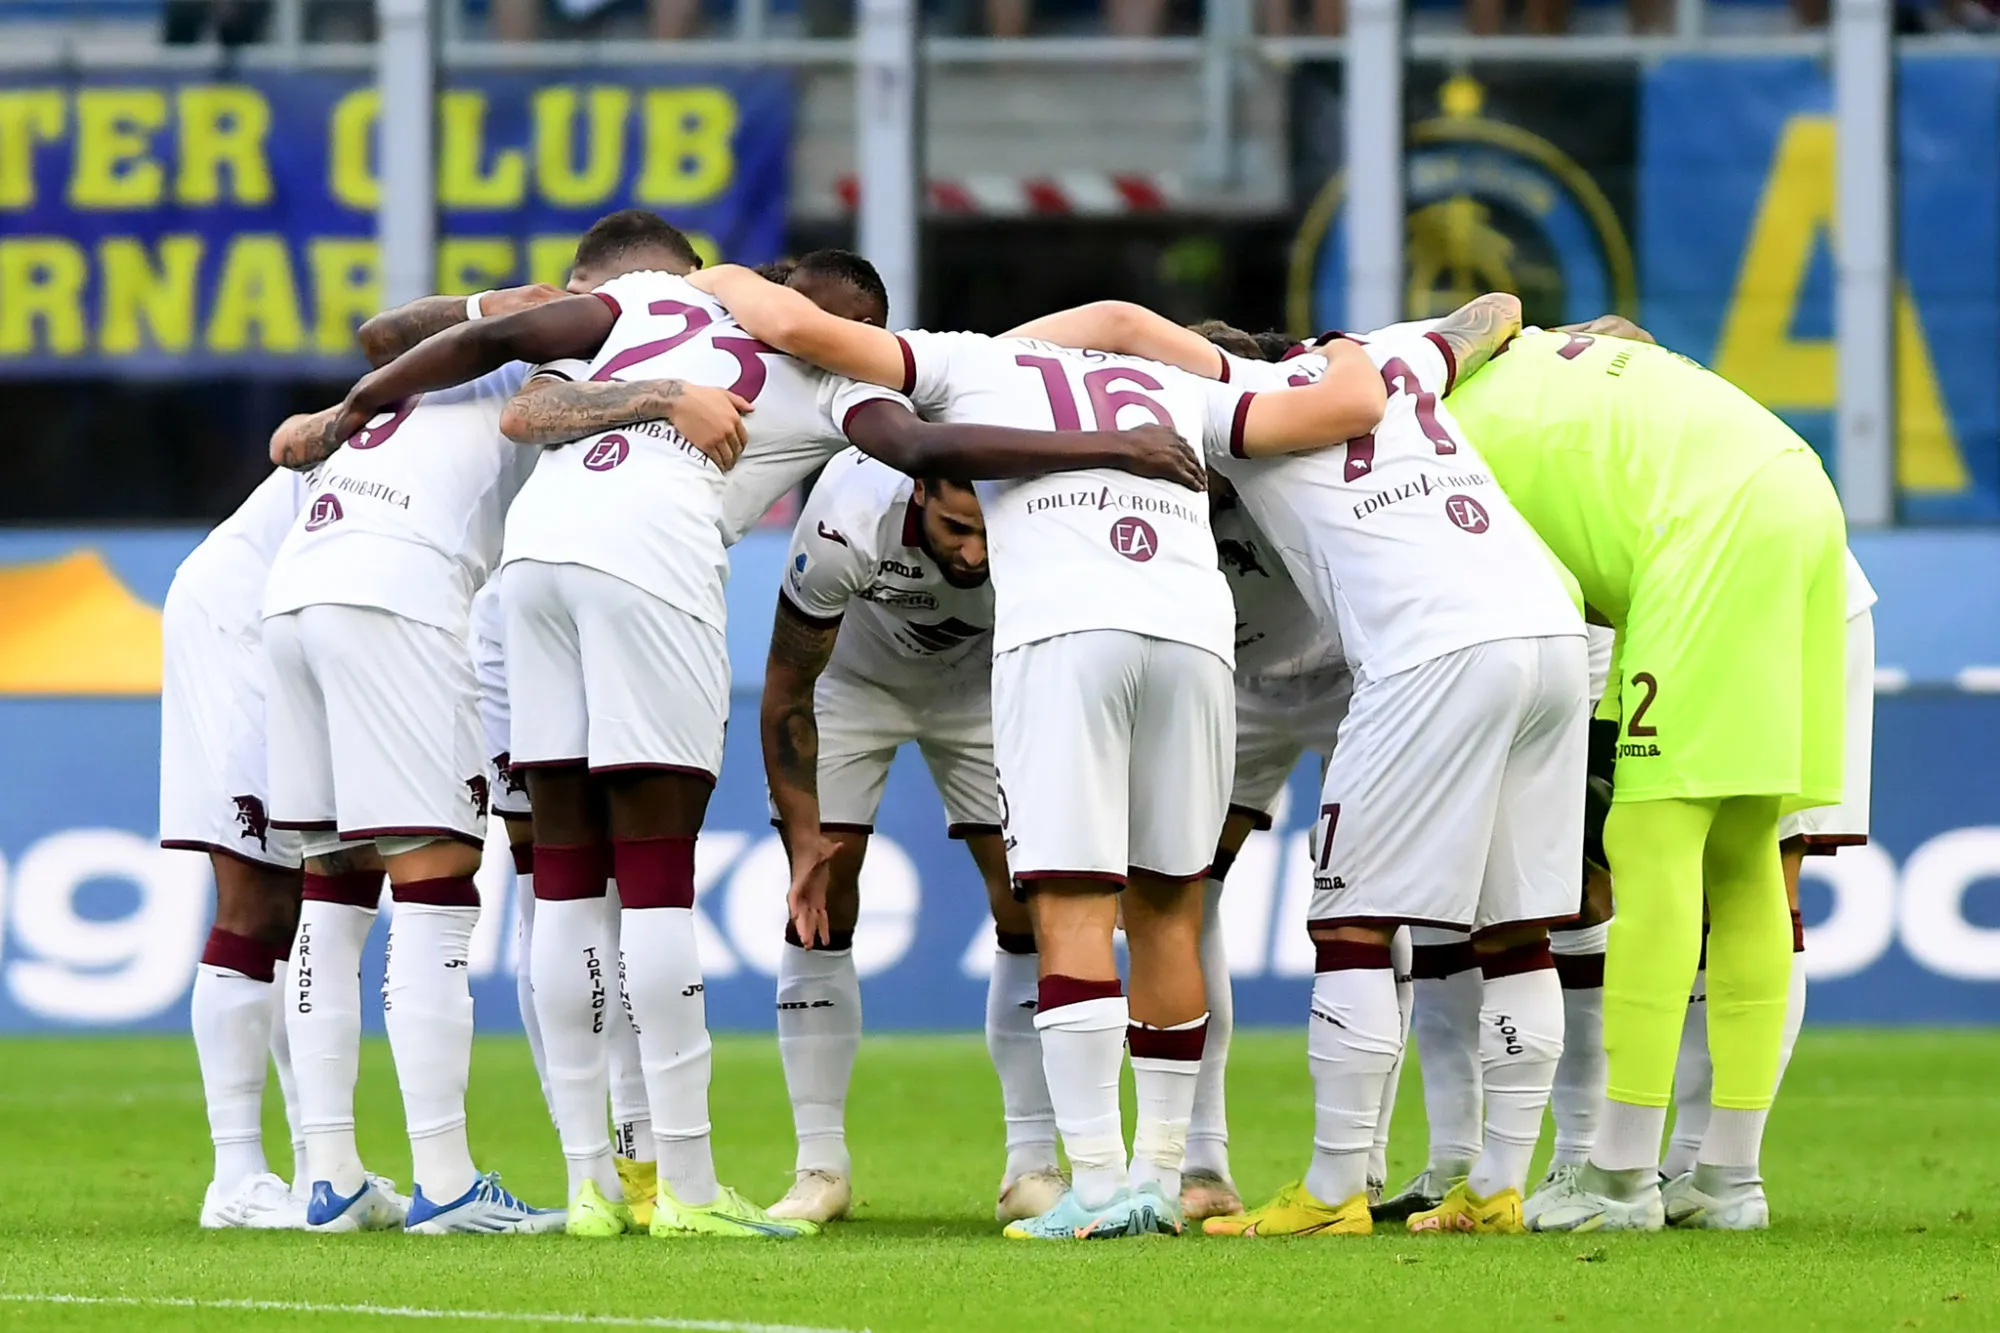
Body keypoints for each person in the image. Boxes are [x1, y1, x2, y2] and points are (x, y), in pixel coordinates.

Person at [324, 224, 1214, 1241]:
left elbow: (502, 370)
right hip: (650, 561)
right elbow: (925, 446)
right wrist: (1115, 441)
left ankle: (591, 1187)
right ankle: (691, 1188)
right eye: (864, 335)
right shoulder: (838, 388)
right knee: (655, 882)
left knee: (565, 877)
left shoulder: (653, 304)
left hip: (533, 568)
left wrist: (353, 403)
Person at [677, 262, 1388, 1240]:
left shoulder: (963, 369)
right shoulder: (1177, 388)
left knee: (1063, 904)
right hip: (1180, 635)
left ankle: (1086, 1185)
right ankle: (1158, 1174)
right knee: (1170, 903)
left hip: (1052, 642)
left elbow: (795, 324)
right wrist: (1348, 351)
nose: (968, 548)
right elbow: (1344, 402)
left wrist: (708, 273)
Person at [1016, 296, 1589, 1237]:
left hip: (1428, 650)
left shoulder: (1243, 411)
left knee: (1353, 924)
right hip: (1547, 630)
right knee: (1516, 927)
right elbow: (1498, 311)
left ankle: (1331, 1192)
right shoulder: (1400, 357)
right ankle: (1495, 1186)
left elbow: (1126, 334)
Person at [1441, 323, 1850, 1232]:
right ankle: (1728, 1178)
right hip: (1800, 485)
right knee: (1743, 845)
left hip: (1703, 527)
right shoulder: (1529, 361)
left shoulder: (1436, 450)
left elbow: (1532, 615)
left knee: (1650, 841)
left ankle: (1620, 1174)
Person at [758, 449, 1063, 1226]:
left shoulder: (1044, 507)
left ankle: (1033, 1166)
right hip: (852, 681)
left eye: (988, 533)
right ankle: (818, 1164)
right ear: (918, 489)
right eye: (957, 528)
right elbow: (788, 685)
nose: (973, 553)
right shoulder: (847, 516)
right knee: (824, 891)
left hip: (988, 684)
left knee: (1033, 895)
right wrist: (800, 839)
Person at [1659, 547, 1876, 1223]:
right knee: (1728, 886)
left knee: (1755, 877)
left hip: (1763, 607)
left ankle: (1713, 1166)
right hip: (1759, 595)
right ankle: (1698, 1166)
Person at [160, 467, 322, 1230]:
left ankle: (324, 1166)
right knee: (259, 898)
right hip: (247, 616)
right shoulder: (495, 385)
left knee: (311, 902)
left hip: (318, 618)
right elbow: (388, 339)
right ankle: (236, 1176)